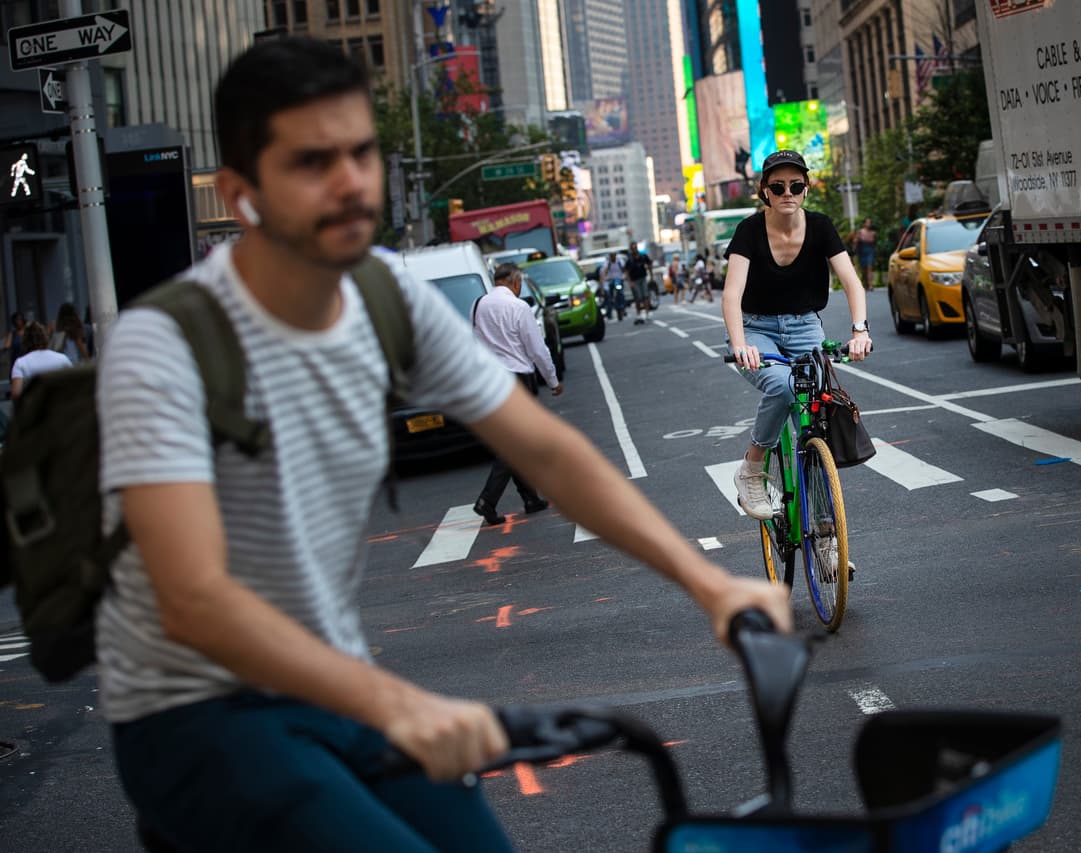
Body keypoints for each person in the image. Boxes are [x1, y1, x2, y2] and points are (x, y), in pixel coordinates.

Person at [95, 37, 790, 853]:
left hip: (334, 684)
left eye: (361, 152)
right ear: (240, 193)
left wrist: (711, 584)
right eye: (313, 162)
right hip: (193, 715)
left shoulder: (383, 294)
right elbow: (193, 598)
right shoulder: (165, 343)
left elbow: (547, 451)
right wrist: (401, 704)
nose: (350, 181)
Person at [722, 150, 873, 519]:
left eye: (795, 185)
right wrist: (740, 345)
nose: (787, 193)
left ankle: (825, 532)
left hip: (805, 326)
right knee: (783, 385)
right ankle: (752, 468)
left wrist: (859, 330)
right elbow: (731, 294)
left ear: (806, 188)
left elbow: (851, 282)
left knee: (814, 425)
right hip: (756, 328)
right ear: (765, 191)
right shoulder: (748, 231)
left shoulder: (820, 227)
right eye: (778, 187)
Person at [471, 263, 562, 526]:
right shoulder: (519, 307)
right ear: (516, 282)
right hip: (516, 380)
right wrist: (553, 380)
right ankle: (487, 500)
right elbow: (537, 349)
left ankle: (530, 498)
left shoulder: (477, 305)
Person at [9, 322, 73, 400]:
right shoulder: (62, 358)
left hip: (35, 405)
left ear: (25, 341)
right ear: (45, 338)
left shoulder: (20, 363)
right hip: (60, 404)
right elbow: (74, 383)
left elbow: (16, 394)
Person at [625, 241, 653, 324]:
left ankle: (647, 313)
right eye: (633, 248)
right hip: (634, 280)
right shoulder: (629, 259)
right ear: (631, 249)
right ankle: (639, 314)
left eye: (635, 247)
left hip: (643, 278)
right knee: (638, 297)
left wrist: (651, 276)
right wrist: (630, 282)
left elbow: (649, 264)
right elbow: (626, 271)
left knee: (646, 296)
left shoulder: (643, 256)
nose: (634, 249)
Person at [599, 251, 626, 322]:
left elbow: (624, 270)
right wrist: (604, 277)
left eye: (613, 255)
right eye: (611, 256)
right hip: (611, 280)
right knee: (610, 294)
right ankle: (612, 300)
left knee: (620, 292)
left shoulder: (620, 261)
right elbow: (604, 272)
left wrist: (624, 274)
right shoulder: (607, 263)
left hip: (619, 280)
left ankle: (622, 306)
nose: (612, 257)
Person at [853, 218, 878, 291]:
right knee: (863, 269)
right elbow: (855, 241)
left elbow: (875, 243)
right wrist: (855, 246)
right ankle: (865, 284)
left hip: (870, 250)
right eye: (867, 222)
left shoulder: (873, 233)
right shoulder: (860, 231)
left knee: (869, 267)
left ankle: (870, 285)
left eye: (870, 222)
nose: (869, 224)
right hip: (862, 250)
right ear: (864, 223)